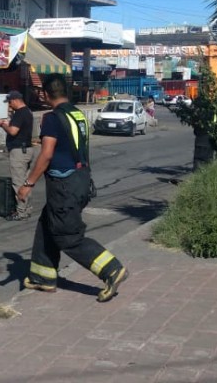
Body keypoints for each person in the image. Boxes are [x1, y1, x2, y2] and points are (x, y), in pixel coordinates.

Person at [17, 74, 128, 302]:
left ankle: (112, 270)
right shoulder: (77, 114)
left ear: (46, 95)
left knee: (68, 236)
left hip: (64, 186)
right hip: (80, 180)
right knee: (47, 225)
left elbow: (46, 154)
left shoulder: (52, 118)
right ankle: (43, 277)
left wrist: (27, 184)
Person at [0, 90, 34, 221]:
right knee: (25, 181)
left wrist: (3, 124)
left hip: (19, 152)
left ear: (16, 100)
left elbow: (13, 131)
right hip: (27, 149)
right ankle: (26, 208)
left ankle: (21, 211)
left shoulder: (21, 113)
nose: (9, 105)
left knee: (18, 182)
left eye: (10, 102)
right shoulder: (27, 111)